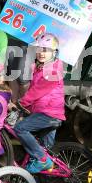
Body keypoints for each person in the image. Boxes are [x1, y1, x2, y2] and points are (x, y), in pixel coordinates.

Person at [8, 0, 57, 102]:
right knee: (11, 74)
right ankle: (13, 108)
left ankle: (25, 107)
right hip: (13, 33)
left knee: (23, 77)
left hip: (32, 38)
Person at [12, 33, 65, 173]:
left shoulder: (53, 71)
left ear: (54, 52)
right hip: (46, 113)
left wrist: (20, 103)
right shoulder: (39, 68)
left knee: (20, 129)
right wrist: (26, 107)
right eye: (39, 49)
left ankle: (42, 160)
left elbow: (36, 92)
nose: (41, 52)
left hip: (49, 114)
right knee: (45, 150)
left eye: (46, 50)